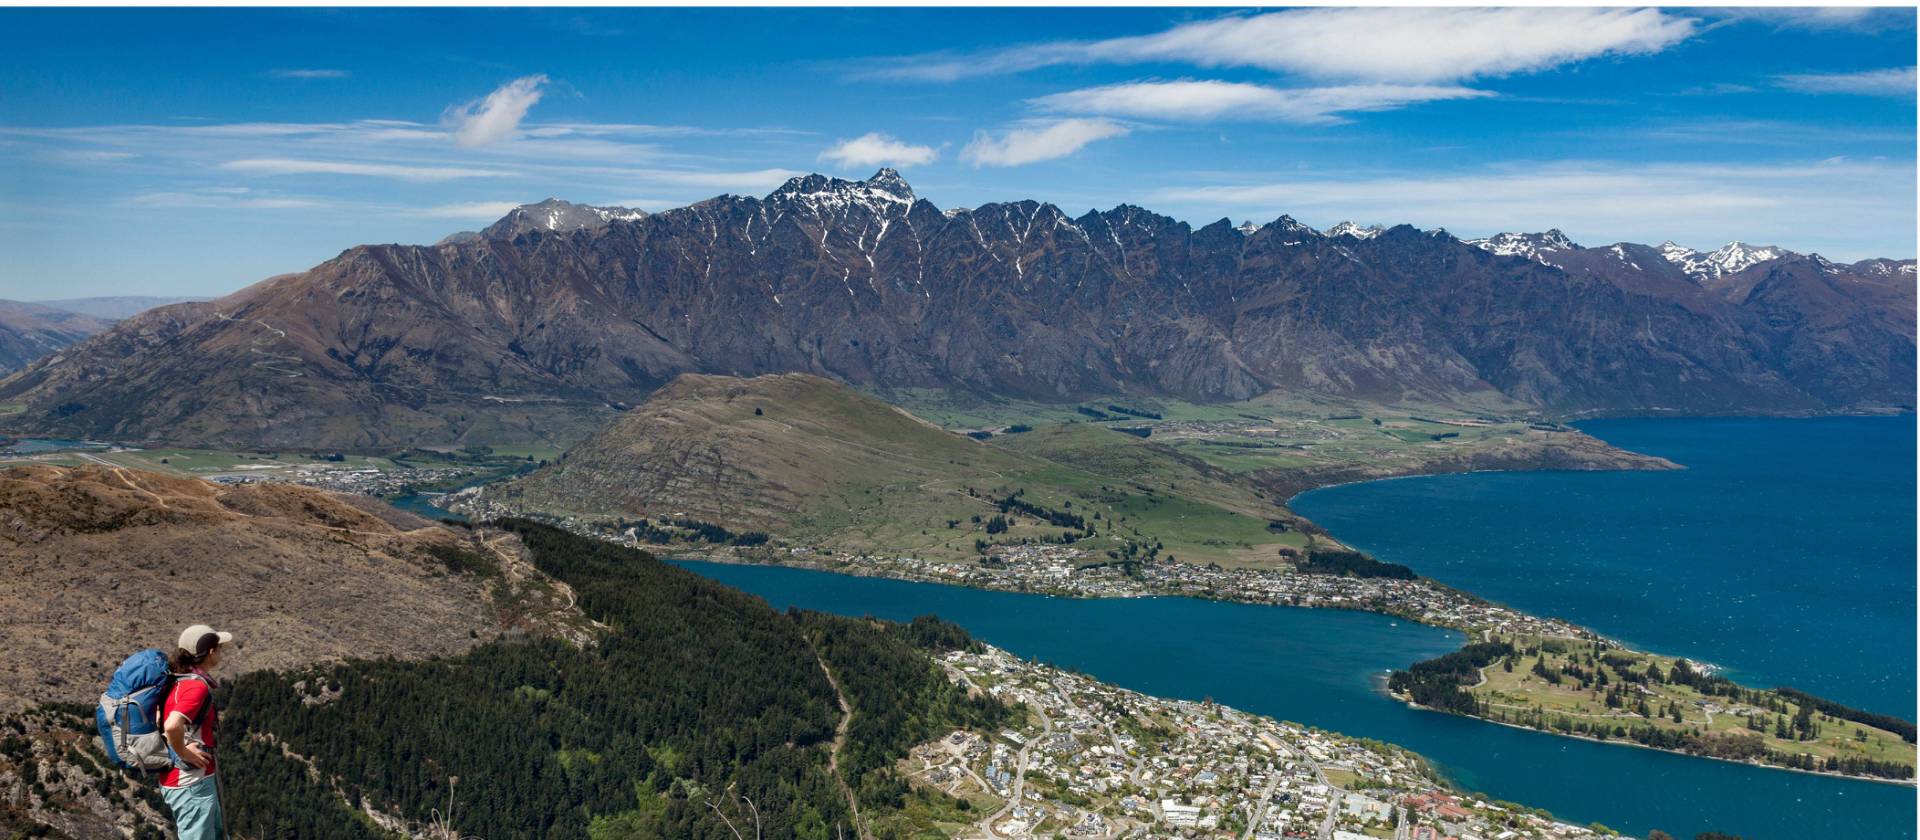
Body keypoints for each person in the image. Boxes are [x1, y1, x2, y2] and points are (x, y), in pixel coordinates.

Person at [161, 624, 233, 840]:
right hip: (191, 782)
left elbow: (160, 719)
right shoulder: (196, 687)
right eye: (219, 648)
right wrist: (184, 752)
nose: (221, 653)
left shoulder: (176, 681)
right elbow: (171, 725)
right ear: (211, 651)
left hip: (188, 777)